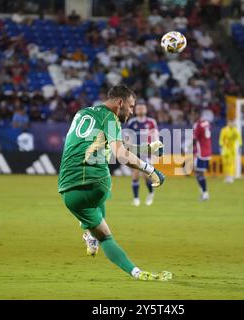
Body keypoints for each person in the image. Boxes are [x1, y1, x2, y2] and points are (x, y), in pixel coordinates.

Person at [58, 84, 171, 281]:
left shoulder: (83, 113)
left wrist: (146, 149)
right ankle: (132, 269)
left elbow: (113, 143)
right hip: (97, 182)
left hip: (68, 191)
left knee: (102, 231)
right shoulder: (110, 118)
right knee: (102, 192)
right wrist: (151, 170)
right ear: (120, 102)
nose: (132, 111)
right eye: (131, 106)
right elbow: (121, 154)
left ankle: (92, 235)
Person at [125, 103, 159, 207]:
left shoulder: (151, 122)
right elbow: (128, 137)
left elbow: (155, 136)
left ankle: (151, 193)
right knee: (135, 174)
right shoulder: (132, 122)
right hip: (135, 151)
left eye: (142, 108)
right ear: (136, 111)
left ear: (146, 110)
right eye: (138, 108)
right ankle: (136, 199)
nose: (140, 110)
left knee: (145, 176)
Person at [191, 111, 212, 201]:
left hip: (201, 152)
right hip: (208, 151)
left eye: (192, 115)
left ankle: (205, 193)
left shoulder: (197, 125)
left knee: (199, 173)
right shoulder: (206, 123)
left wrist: (188, 148)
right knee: (198, 172)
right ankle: (203, 192)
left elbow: (195, 139)